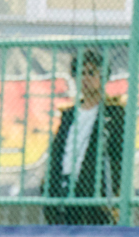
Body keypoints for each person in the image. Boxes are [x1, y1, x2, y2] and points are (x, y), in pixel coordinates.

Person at [44, 49, 128, 225]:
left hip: (93, 191)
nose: (86, 78)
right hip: (62, 187)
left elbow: (117, 156)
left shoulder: (113, 113)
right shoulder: (68, 114)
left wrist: (110, 193)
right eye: (80, 73)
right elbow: (58, 152)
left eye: (91, 73)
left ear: (103, 76)